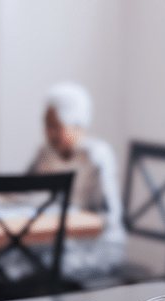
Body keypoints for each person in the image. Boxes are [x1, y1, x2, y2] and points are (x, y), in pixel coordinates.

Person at [28, 82, 126, 278]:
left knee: (28, 269)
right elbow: (22, 191)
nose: (49, 134)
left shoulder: (96, 155)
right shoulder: (45, 154)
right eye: (47, 126)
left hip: (95, 246)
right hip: (53, 241)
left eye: (56, 126)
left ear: (77, 124)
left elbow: (109, 217)